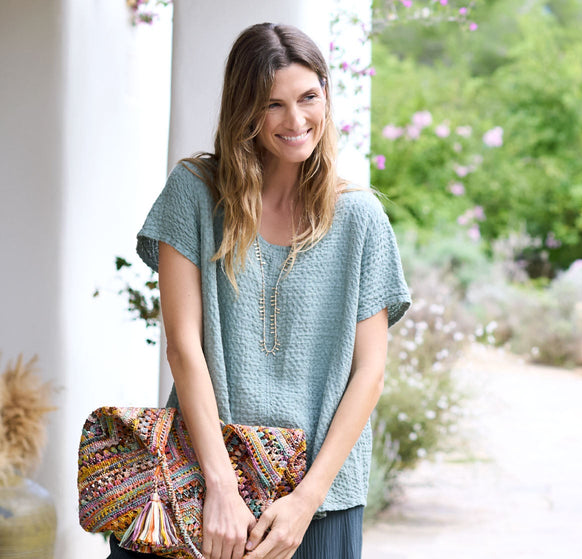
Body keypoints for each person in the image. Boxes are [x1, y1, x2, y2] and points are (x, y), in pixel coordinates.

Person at [109, 22, 410, 559]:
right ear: (244, 110)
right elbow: (183, 346)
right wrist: (221, 485)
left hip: (321, 500)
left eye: (308, 97)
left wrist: (304, 500)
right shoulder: (195, 195)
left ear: (326, 96)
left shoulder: (361, 218)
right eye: (273, 104)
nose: (296, 120)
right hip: (201, 484)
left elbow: (370, 371)